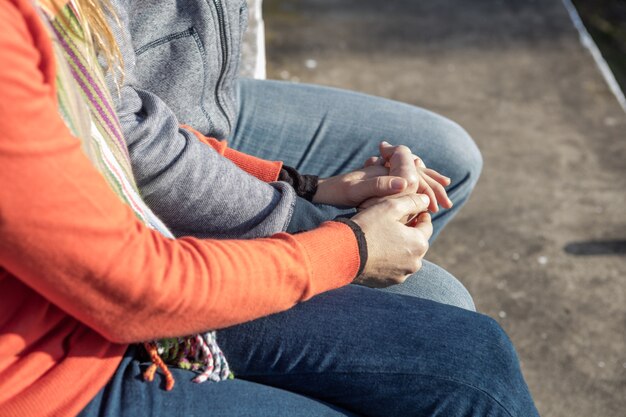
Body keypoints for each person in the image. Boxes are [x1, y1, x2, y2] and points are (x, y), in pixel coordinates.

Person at [0, 0, 540, 416]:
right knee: (439, 308)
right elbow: (138, 289)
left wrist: (312, 187)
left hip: (88, 306)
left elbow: (112, 122)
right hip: (49, 379)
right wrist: (348, 245)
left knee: (472, 356)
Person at [104, 0, 481, 305]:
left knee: (450, 157)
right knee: (440, 302)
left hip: (206, 103)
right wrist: (317, 223)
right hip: (137, 156)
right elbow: (122, 140)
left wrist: (310, 186)